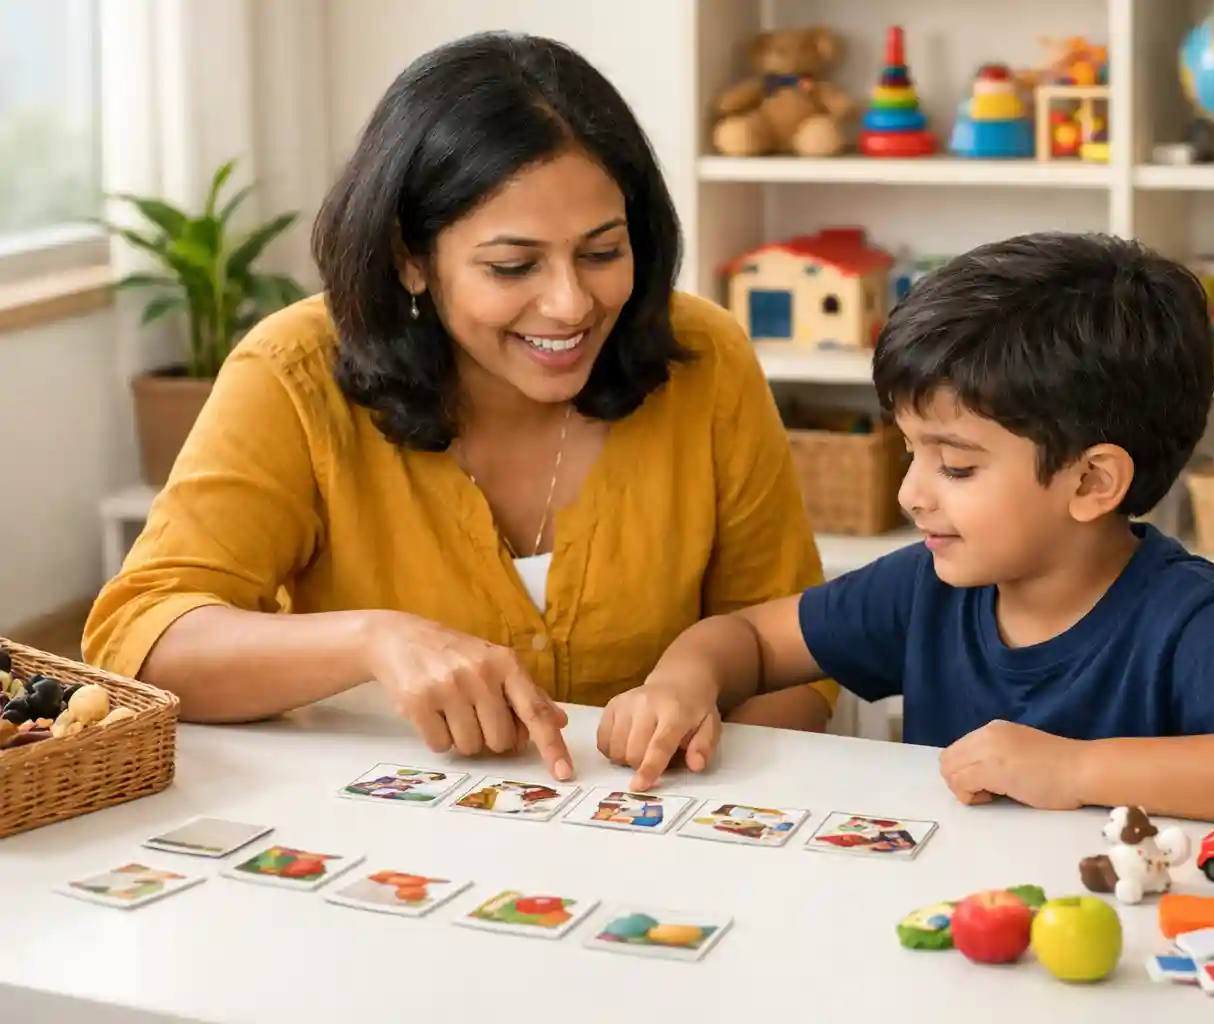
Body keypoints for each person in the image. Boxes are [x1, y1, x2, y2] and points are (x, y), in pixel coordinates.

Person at [83, 32, 839, 776]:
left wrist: (696, 782)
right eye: (513, 265)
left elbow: (799, 661)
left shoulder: (705, 357)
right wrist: (371, 642)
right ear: (409, 257)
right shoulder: (293, 372)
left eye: (603, 252)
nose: (571, 304)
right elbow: (143, 639)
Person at [599, 232, 1214, 830]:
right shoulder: (929, 584)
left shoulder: (1185, 619)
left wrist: (1078, 770)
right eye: (912, 451)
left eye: (956, 465)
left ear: (1091, 482)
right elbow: (748, 638)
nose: (912, 493)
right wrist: (682, 682)